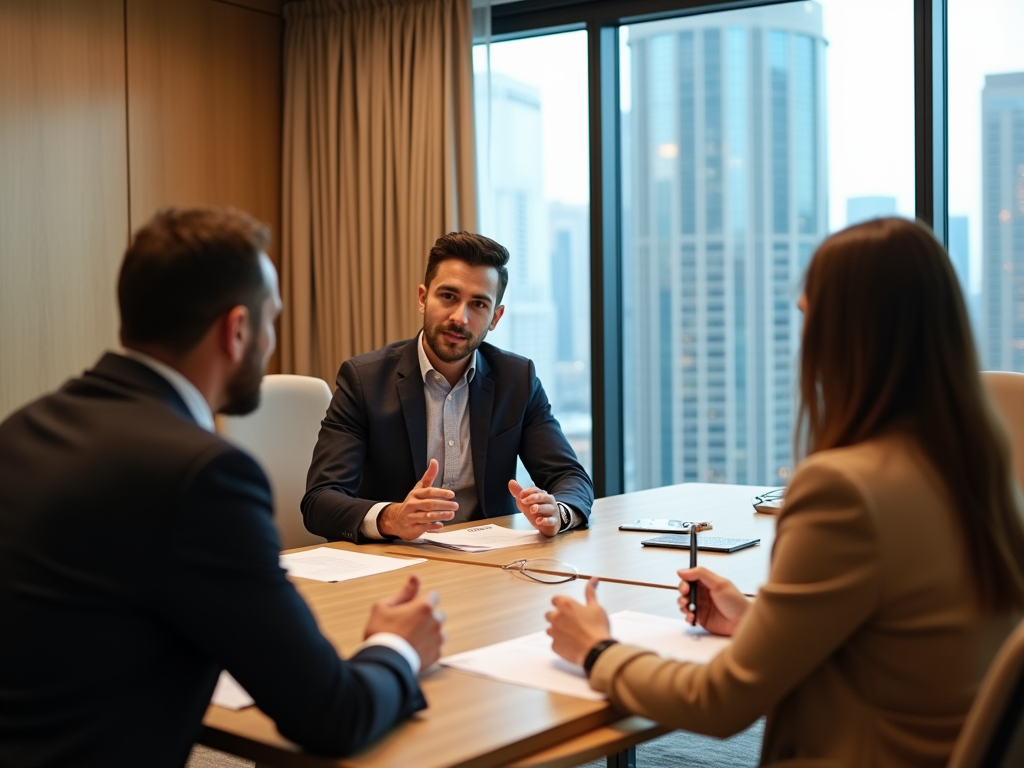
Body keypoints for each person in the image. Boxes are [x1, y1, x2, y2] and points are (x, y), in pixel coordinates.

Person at [545, 217, 1024, 767]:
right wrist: (755, 626)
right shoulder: (980, 473)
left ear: (848, 335)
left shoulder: (845, 490)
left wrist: (596, 650)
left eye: (808, 314)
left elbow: (719, 703)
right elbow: (904, 643)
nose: (803, 335)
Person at [0, 208, 445, 768]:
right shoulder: (203, 475)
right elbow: (333, 714)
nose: (271, 340)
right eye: (271, 321)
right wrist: (396, 645)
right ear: (237, 331)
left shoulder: (21, 429)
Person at [302, 231, 594, 543]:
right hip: (396, 561)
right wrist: (391, 517)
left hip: (491, 564)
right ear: (422, 298)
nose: (460, 318)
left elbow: (570, 477)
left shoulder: (517, 379)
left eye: (478, 304)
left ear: (495, 317)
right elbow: (319, 501)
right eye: (448, 297)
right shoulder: (364, 380)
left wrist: (557, 513)